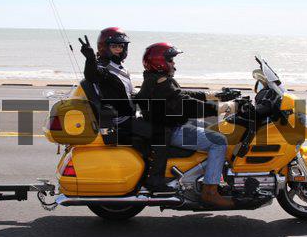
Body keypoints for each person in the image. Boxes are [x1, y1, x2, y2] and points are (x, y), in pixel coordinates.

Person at [136, 42, 234, 208]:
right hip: (172, 129)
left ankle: (211, 174)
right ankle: (210, 191)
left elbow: (183, 94)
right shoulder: (161, 84)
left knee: (212, 127)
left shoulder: (156, 80)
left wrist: (215, 95)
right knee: (218, 141)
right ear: (160, 62)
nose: (174, 64)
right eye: (170, 60)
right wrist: (223, 107)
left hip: (168, 125)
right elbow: (188, 105)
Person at [79, 28, 170, 193]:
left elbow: (129, 94)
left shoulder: (119, 68)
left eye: (121, 46)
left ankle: (148, 172)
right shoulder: (103, 68)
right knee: (162, 134)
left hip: (128, 115)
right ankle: (155, 181)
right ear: (104, 47)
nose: (119, 49)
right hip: (120, 120)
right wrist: (89, 58)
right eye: (114, 46)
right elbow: (92, 75)